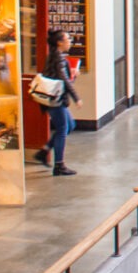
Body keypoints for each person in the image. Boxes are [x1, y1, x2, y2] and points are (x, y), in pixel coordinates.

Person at [32, 40, 79, 176]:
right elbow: (65, 82)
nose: (70, 41)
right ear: (59, 42)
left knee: (69, 125)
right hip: (56, 100)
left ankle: (44, 151)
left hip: (56, 99)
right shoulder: (59, 60)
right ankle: (59, 165)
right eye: (67, 39)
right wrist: (76, 97)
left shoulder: (54, 57)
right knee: (63, 129)